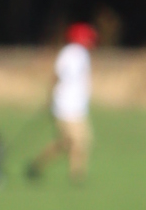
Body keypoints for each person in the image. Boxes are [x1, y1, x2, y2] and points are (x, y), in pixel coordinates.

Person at [26, 21, 95, 182]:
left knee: (66, 143)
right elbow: (57, 76)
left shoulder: (83, 55)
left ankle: (37, 165)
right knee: (79, 140)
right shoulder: (69, 54)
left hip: (77, 106)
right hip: (65, 106)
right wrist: (51, 97)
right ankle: (77, 176)